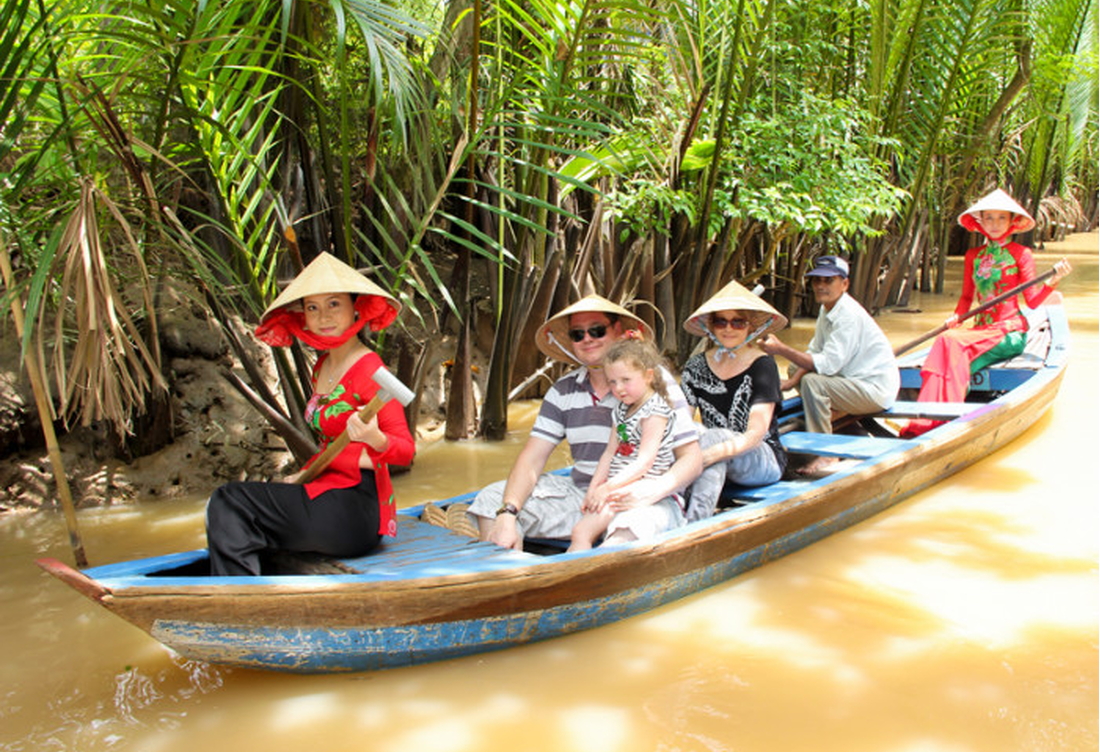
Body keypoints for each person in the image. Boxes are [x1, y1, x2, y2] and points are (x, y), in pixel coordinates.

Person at [205, 253, 416, 576]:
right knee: (234, 507)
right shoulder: (322, 367)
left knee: (230, 500)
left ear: (355, 307)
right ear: (303, 316)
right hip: (324, 490)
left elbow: (405, 451)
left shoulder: (370, 368)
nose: (323, 316)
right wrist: (302, 475)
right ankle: (244, 590)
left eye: (334, 304)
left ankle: (238, 598)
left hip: (354, 509)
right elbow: (329, 445)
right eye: (313, 307)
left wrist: (373, 437)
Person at [467, 295, 703, 551]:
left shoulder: (652, 384)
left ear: (619, 332)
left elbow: (691, 459)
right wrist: (508, 512)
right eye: (578, 334)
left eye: (597, 330)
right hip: (582, 495)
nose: (587, 339)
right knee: (492, 500)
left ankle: (588, 576)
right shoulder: (563, 391)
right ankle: (511, 575)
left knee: (630, 528)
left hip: (646, 497)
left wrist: (654, 490)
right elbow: (532, 458)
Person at [901, 189, 1072, 437]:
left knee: (951, 343)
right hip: (981, 330)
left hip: (1009, 331)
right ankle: (933, 417)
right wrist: (957, 317)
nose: (994, 224)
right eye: (989, 218)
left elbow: (1033, 303)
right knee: (945, 340)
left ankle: (942, 418)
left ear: (1012, 221)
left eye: (1001, 218)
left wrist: (1053, 282)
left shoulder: (1021, 254)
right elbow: (967, 298)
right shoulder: (974, 256)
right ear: (980, 221)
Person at [758, 255, 899, 474]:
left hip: (875, 389)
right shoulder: (828, 309)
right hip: (852, 380)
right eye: (817, 281)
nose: (821, 286)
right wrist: (792, 381)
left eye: (828, 280)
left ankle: (826, 454)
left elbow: (828, 365)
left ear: (844, 284)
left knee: (814, 382)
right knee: (797, 369)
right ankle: (829, 414)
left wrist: (781, 349)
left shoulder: (847, 316)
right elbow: (816, 351)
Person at [679, 280, 788, 519]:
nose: (729, 328)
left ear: (750, 327)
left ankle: (694, 522)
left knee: (714, 438)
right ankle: (668, 511)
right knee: (688, 434)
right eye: (721, 321)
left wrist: (711, 454)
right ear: (711, 326)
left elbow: (755, 434)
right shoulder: (695, 365)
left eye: (737, 322)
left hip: (761, 457)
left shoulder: (763, 365)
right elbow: (682, 423)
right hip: (710, 452)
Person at [569, 338, 684, 551]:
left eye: (626, 380)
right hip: (616, 485)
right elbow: (609, 453)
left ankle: (595, 570)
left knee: (616, 540)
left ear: (649, 376)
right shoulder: (621, 410)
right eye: (612, 382)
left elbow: (645, 462)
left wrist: (607, 488)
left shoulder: (655, 411)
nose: (618, 388)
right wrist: (594, 489)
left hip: (643, 484)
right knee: (580, 532)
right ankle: (568, 573)